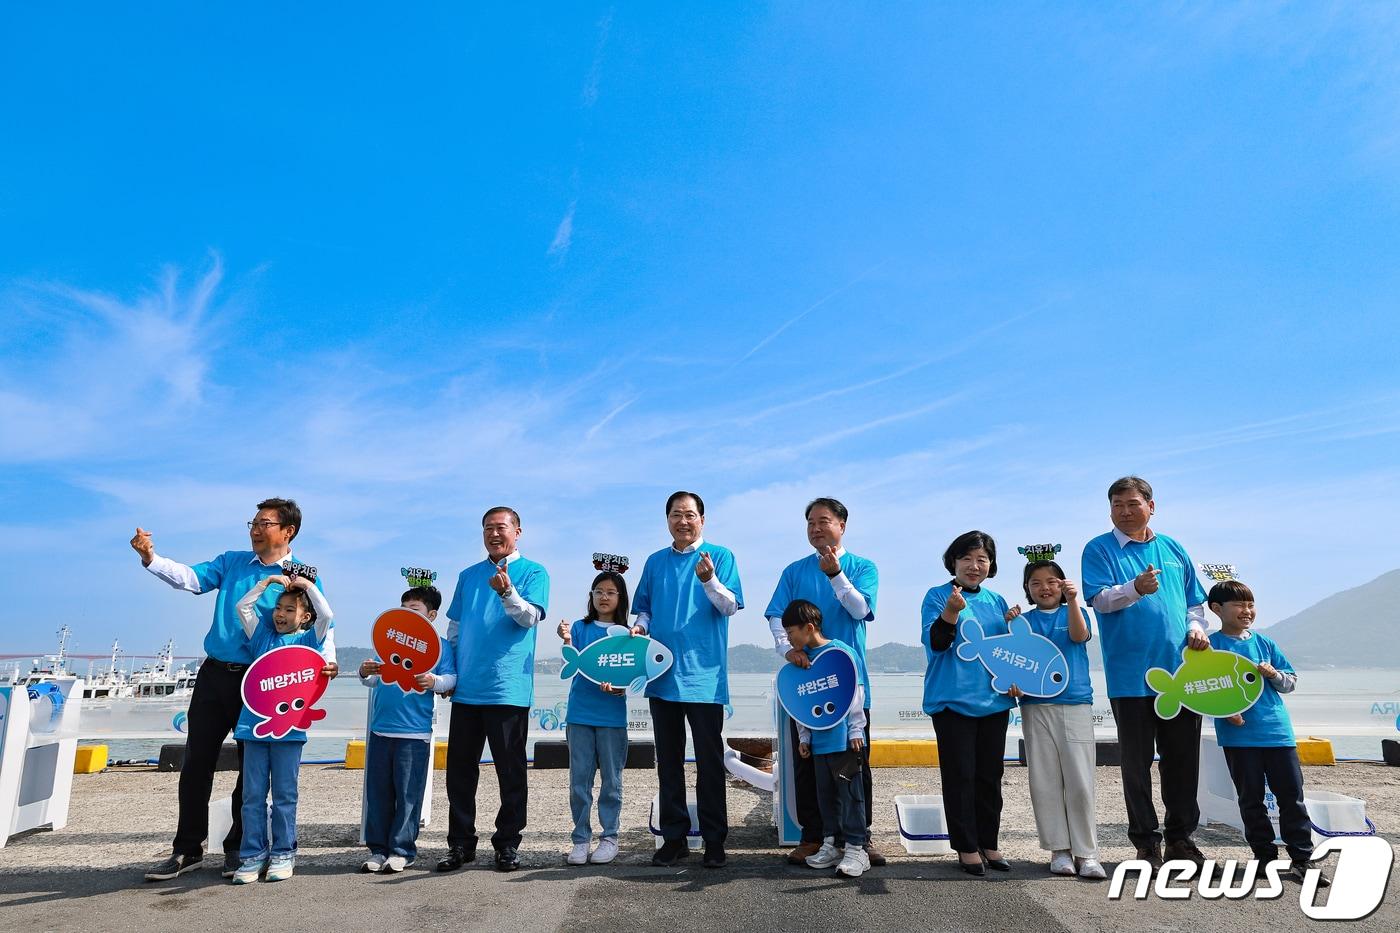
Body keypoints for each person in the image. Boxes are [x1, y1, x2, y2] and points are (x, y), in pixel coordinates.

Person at [132, 498, 338, 882]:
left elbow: (320, 626)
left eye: (265, 523)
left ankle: (240, 849)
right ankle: (187, 849)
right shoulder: (232, 561)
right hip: (215, 675)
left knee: (252, 768)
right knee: (196, 762)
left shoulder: (302, 576)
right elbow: (192, 579)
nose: (255, 529)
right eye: (254, 522)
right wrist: (152, 558)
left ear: (287, 531)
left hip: (262, 682)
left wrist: (327, 661)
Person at [1081, 476, 1210, 869]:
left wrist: (1195, 629)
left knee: (1183, 761)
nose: (1125, 510)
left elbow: (1195, 604)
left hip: (1181, 677)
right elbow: (1099, 601)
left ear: (1151, 506)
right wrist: (1135, 588)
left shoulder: (1173, 548)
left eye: (1132, 503)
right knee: (1136, 764)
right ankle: (1145, 843)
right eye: (1117, 504)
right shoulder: (1099, 549)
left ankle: (1181, 840)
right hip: (1130, 676)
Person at [763, 497, 882, 866]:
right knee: (809, 766)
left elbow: (861, 610)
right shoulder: (794, 571)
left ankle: (859, 838)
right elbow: (774, 617)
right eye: (811, 522)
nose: (816, 528)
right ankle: (815, 836)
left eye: (824, 521)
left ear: (842, 525)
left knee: (854, 765)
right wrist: (787, 651)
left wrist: (835, 574)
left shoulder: (862, 566)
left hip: (848, 683)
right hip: (804, 683)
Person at [632, 490, 744, 868]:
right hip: (661, 676)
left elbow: (729, 606)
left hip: (704, 678)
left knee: (710, 763)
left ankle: (714, 841)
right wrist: (639, 626)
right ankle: (674, 838)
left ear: (702, 520)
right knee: (669, 761)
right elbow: (643, 608)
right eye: (677, 515)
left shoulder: (720, 556)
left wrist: (710, 580)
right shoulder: (654, 562)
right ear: (667, 520)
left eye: (690, 515)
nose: (683, 521)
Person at [438, 507, 549, 873]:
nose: (494, 534)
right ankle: (460, 844)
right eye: (488, 528)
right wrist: (450, 674)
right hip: (468, 690)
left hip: (508, 689)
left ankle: (507, 844)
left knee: (510, 771)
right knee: (460, 773)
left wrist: (507, 593)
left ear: (518, 531)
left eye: (501, 527)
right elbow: (454, 630)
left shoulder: (534, 571)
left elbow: (529, 618)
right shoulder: (468, 575)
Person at [1207, 580, 1329, 887]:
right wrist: (1223, 711)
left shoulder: (1265, 643)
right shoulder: (1210, 646)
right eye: (1239, 605)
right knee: (1251, 799)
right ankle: (1264, 858)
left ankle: (1302, 859)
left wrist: (1274, 674)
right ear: (1216, 609)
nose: (1247, 611)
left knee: (1292, 798)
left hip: (1277, 733)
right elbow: (1199, 690)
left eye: (1250, 605)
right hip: (1239, 737)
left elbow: (1290, 681)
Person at [921, 530, 1015, 877]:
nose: (974, 566)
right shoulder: (936, 596)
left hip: (995, 701)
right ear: (954, 562)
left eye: (982, 559)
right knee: (960, 775)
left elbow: (1009, 652)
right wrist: (950, 612)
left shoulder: (997, 601)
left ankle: (989, 842)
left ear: (991, 565)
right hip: (952, 701)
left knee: (991, 775)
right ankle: (965, 846)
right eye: (967, 559)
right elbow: (937, 643)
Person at [230, 573, 333, 884]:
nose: (281, 614)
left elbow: (327, 614)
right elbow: (243, 608)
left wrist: (307, 586)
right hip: (253, 726)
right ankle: (252, 854)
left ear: (304, 616)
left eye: (291, 609)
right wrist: (265, 585)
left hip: (290, 729)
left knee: (285, 795)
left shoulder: (308, 640)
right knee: (252, 795)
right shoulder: (261, 636)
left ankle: (284, 852)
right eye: (279, 607)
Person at [1013, 560, 1105, 880]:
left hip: (1075, 702)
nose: (1044, 588)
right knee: (1045, 780)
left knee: (1080, 782)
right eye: (1036, 583)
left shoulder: (1075, 614)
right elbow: (1012, 662)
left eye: (1052, 582)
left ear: (1063, 584)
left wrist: (1074, 601)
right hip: (1035, 706)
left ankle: (1087, 853)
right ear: (1027, 589)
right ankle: (1059, 850)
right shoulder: (1021, 622)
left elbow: (1080, 637)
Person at [357, 585, 457, 873]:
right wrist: (365, 672)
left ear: (432, 614)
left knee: (408, 795)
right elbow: (375, 679)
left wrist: (434, 682)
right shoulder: (389, 639)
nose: (407, 615)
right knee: (378, 794)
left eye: (414, 610)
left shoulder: (438, 646)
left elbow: (451, 678)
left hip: (414, 733)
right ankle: (378, 850)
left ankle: (403, 850)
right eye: (403, 609)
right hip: (381, 730)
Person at [783, 599, 870, 879]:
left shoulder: (841, 653)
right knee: (826, 796)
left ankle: (857, 848)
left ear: (808, 628)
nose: (788, 638)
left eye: (791, 632)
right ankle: (830, 843)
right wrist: (804, 737)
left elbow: (856, 695)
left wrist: (856, 730)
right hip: (819, 745)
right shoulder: (802, 661)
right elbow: (800, 705)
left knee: (850, 794)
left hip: (844, 743)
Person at [556, 571, 631, 866]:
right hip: (580, 714)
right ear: (591, 595)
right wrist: (565, 640)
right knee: (579, 781)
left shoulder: (628, 634)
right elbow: (569, 665)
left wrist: (619, 689)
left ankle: (610, 837)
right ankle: (580, 840)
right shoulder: (579, 627)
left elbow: (632, 674)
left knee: (612, 781)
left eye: (611, 592)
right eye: (598, 591)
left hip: (612, 717)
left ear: (620, 598)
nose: (604, 597)